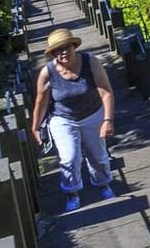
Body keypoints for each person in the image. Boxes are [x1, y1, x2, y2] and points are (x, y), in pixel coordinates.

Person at [30, 27, 115, 213]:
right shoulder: (47, 73)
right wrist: (35, 127)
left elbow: (106, 91)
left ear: (74, 46)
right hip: (62, 118)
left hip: (93, 113)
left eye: (66, 47)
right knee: (69, 158)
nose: (63, 53)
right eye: (58, 50)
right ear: (52, 54)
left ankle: (103, 184)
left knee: (98, 155)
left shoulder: (90, 62)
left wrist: (107, 120)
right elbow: (41, 101)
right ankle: (72, 192)